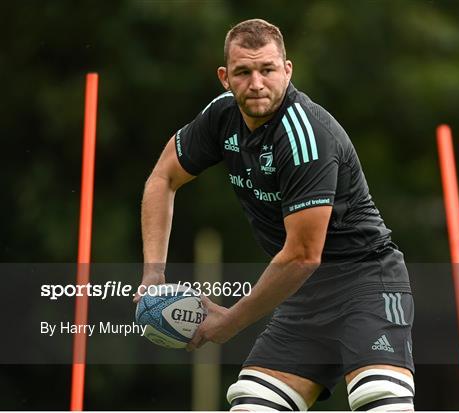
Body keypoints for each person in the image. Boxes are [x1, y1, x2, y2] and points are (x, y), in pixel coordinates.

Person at [136, 19, 415, 411]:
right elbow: (162, 177)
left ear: (287, 70)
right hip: (303, 298)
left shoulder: (305, 136)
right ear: (224, 77)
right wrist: (153, 273)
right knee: (252, 406)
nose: (256, 83)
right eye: (243, 72)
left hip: (365, 285)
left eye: (267, 69)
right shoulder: (221, 117)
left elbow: (303, 256)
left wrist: (228, 322)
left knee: (380, 401)